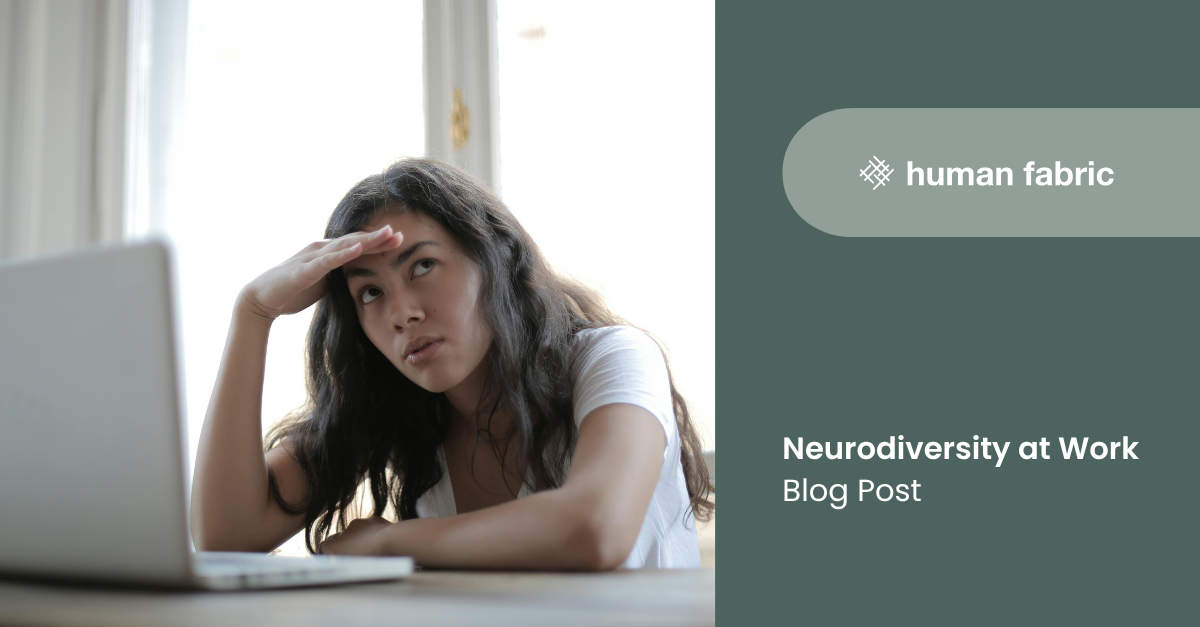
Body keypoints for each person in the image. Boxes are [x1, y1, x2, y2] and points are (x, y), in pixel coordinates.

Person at [189, 158, 712, 569]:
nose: (402, 313)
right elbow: (225, 535)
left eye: (422, 265)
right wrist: (252, 313)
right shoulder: (396, 408)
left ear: (494, 259)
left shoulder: (612, 358)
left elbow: (596, 529)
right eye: (370, 292)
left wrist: (389, 543)